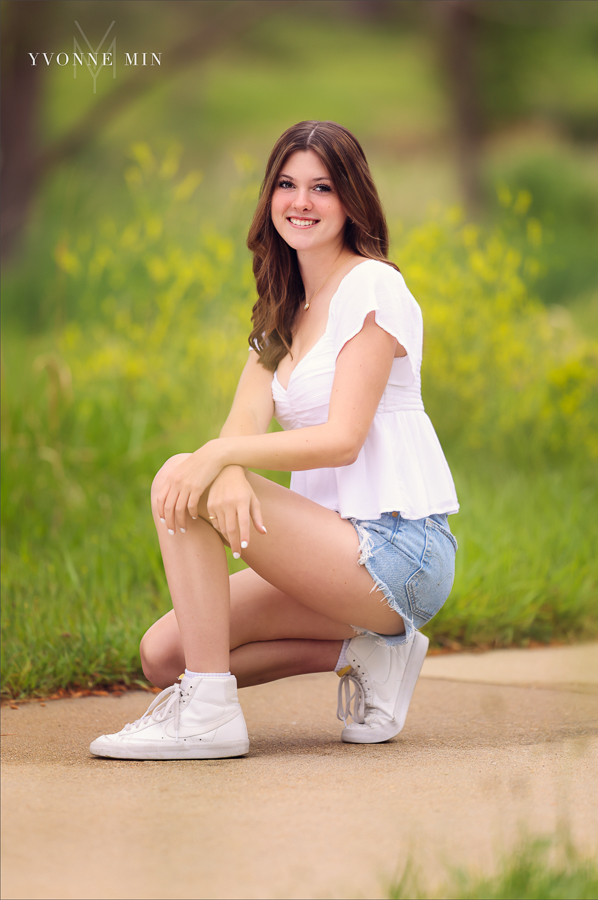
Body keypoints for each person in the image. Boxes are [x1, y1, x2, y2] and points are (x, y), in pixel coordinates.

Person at [90, 120, 459, 760]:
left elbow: (341, 439)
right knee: (163, 653)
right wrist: (224, 461)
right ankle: (365, 655)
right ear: (270, 199)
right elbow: (239, 436)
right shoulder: (278, 317)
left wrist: (217, 459)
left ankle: (207, 713)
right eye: (287, 185)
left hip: (398, 548)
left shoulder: (374, 285)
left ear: (351, 201)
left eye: (322, 188)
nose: (301, 202)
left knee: (186, 472)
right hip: (326, 551)